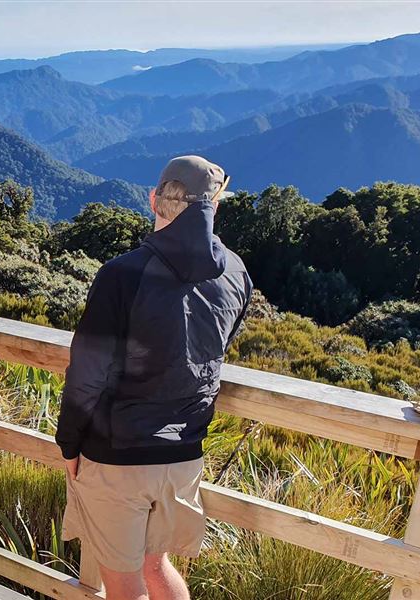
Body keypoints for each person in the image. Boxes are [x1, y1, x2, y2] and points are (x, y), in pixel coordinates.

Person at [55, 156, 253, 600]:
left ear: (153, 199)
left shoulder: (121, 274)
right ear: (215, 207)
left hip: (117, 454)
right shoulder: (237, 273)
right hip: (184, 453)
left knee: (123, 584)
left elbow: (87, 373)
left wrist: (69, 442)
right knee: (156, 565)